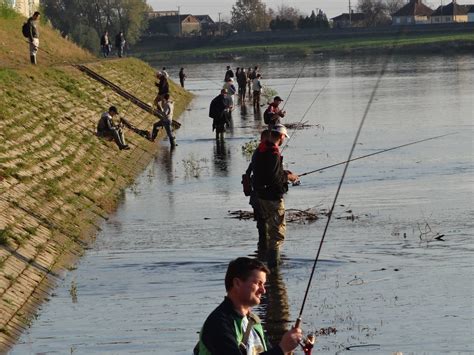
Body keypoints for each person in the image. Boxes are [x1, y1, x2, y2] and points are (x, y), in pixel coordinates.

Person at [195, 257, 302, 354]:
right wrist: (282, 349)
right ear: (237, 283)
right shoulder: (218, 323)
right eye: (258, 283)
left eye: (263, 284)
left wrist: (288, 349)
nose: (263, 290)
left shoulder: (253, 322)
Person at [252, 124, 298, 266]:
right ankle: (274, 268)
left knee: (269, 231)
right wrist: (288, 177)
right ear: (282, 136)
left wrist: (284, 173)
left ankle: (267, 263)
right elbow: (273, 177)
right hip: (272, 197)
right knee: (277, 233)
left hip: (261, 195)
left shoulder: (260, 149)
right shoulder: (272, 152)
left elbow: (268, 173)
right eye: (284, 136)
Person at [245, 130, 270, 252]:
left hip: (256, 196)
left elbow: (247, 172)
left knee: (262, 226)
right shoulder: (264, 153)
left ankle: (261, 253)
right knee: (265, 227)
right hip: (262, 197)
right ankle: (267, 257)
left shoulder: (257, 152)